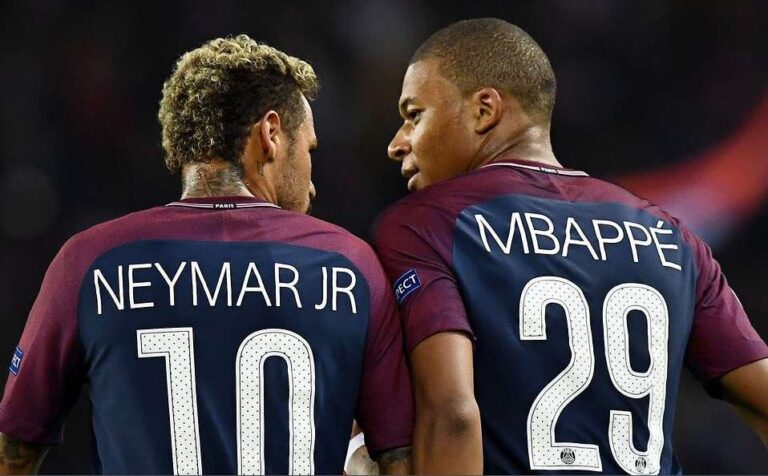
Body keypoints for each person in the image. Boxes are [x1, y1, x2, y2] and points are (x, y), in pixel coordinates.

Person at [0, 35, 413, 475]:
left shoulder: (91, 263)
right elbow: (398, 461)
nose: (311, 183)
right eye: (308, 150)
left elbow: (13, 452)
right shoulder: (350, 268)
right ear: (271, 134)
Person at [373, 18, 768, 474]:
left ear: (484, 110)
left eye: (414, 115)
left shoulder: (428, 225)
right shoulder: (672, 237)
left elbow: (454, 416)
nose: (397, 143)